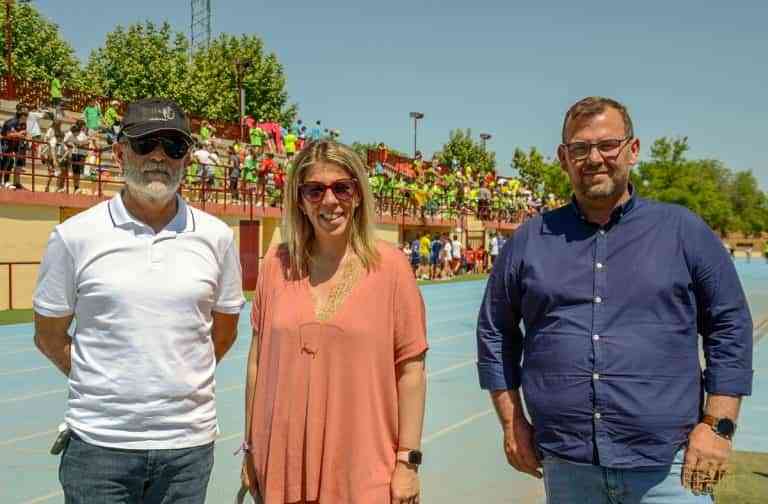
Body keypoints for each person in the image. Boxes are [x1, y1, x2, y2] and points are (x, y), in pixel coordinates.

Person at [476, 96, 753, 503]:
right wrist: (511, 420)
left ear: (632, 150)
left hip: (670, 466)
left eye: (608, 145)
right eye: (580, 148)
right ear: (563, 158)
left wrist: (718, 426)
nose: (594, 159)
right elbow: (495, 332)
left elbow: (730, 327)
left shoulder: (683, 231)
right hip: (568, 468)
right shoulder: (530, 240)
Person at [33, 97, 245, 503]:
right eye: (145, 144)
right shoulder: (74, 236)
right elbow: (49, 335)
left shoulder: (217, 237)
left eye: (174, 146)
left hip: (187, 448)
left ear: (187, 158)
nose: (159, 157)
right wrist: (106, 383)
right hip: (99, 446)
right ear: (120, 152)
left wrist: (175, 377)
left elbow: (224, 332)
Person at [241, 140, 427, 503]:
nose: (329, 201)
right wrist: (249, 449)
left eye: (342, 188)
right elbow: (256, 364)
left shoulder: (392, 268)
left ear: (358, 195)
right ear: (299, 199)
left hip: (363, 470)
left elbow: (412, 372)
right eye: (315, 190)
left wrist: (408, 462)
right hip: (281, 466)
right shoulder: (275, 266)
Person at [1, 104, 28, 189]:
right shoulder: (12, 122)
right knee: (4, 163)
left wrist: (24, 136)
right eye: (26, 115)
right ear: (21, 116)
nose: (27, 117)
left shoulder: (23, 124)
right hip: (5, 144)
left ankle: (6, 182)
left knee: (10, 163)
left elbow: (23, 134)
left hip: (15, 145)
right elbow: (8, 134)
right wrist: (19, 134)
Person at [62, 119, 89, 193]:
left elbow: (85, 144)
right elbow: (66, 142)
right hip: (72, 153)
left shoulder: (83, 134)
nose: (84, 127)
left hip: (80, 154)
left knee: (77, 172)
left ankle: (76, 187)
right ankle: (64, 186)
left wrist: (82, 145)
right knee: (69, 170)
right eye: (83, 125)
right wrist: (75, 145)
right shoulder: (71, 133)